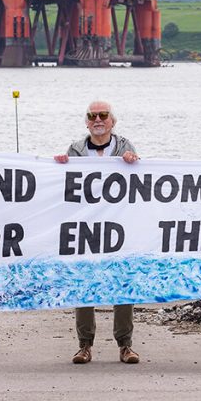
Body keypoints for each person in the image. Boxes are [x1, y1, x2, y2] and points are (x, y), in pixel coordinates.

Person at [54, 100, 141, 365]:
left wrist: (133, 161)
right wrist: (59, 166)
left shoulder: (125, 146)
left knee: (122, 285)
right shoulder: (76, 150)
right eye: (92, 116)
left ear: (113, 121)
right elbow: (65, 187)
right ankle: (84, 345)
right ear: (86, 122)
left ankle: (125, 345)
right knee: (84, 285)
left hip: (119, 226)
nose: (98, 120)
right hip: (86, 227)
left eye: (103, 115)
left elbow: (139, 183)